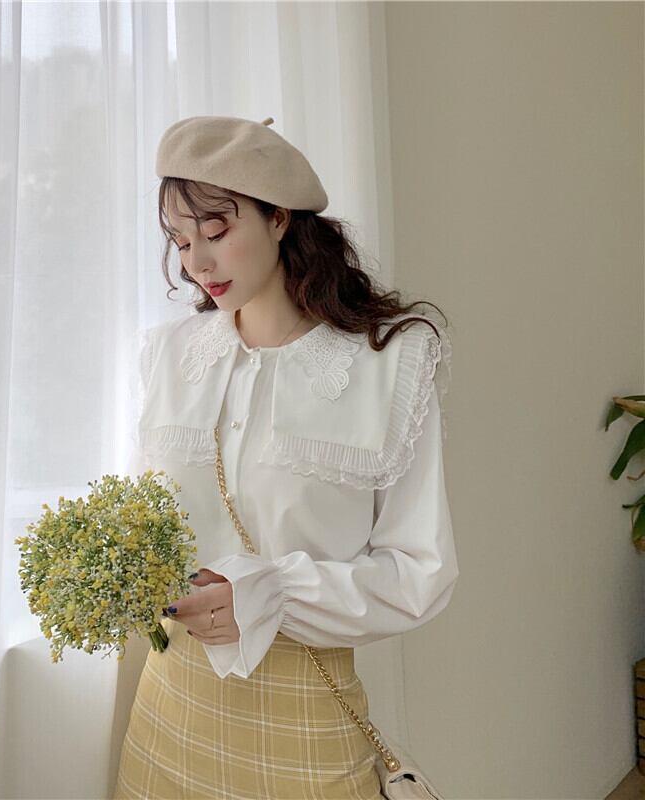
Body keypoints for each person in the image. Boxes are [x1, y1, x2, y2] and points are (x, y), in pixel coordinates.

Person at [111, 115, 458, 799]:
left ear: (279, 218)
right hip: (170, 709)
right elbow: (143, 525)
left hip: (304, 712)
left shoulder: (389, 364)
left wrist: (269, 593)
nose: (196, 263)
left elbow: (421, 574)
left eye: (216, 231)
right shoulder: (168, 356)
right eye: (180, 241)